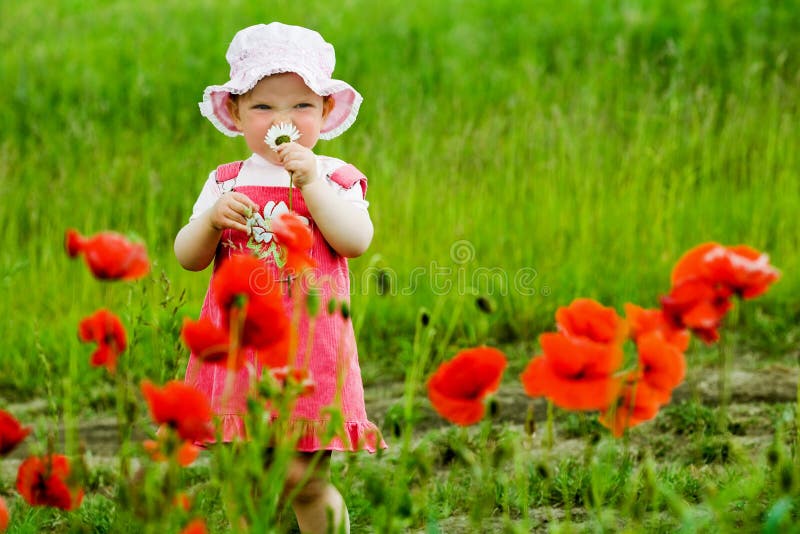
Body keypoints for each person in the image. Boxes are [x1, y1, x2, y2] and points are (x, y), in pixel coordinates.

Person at [174, 22, 385, 533]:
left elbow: (355, 240)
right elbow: (187, 256)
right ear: (238, 113)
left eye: (301, 107)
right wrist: (209, 221)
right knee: (243, 476)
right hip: (238, 347)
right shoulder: (228, 181)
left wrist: (311, 182)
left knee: (303, 477)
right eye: (264, 107)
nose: (281, 121)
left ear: (327, 112)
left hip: (310, 348)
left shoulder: (333, 177)